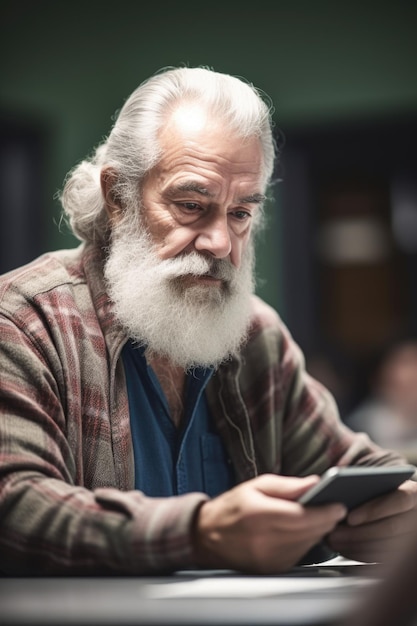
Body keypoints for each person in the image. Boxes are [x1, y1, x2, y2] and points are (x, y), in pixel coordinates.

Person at [0, 66, 416, 576]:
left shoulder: (255, 336)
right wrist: (200, 533)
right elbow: (14, 505)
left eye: (240, 213)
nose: (220, 243)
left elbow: (356, 465)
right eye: (192, 205)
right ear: (118, 197)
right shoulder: (26, 321)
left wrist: (398, 507)